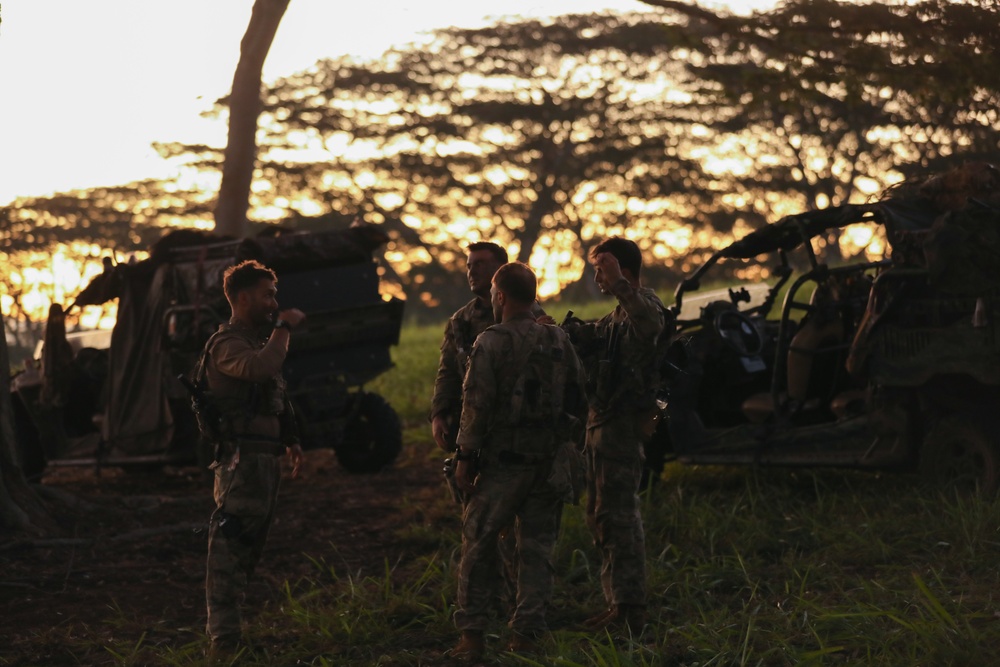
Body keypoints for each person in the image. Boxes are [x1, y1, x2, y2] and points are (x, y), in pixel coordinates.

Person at [448, 262, 585, 663]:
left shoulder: (490, 341)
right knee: (537, 550)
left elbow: (476, 404)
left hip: (502, 465)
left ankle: (471, 637)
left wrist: (465, 457)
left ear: (501, 296)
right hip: (548, 462)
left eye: (492, 292)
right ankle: (526, 633)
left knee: (477, 544)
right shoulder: (559, 338)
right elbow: (579, 396)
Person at [202, 260, 306, 652]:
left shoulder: (254, 341)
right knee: (227, 552)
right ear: (242, 298)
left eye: (274, 295)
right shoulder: (227, 344)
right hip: (240, 463)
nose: (273, 302)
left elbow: (274, 396)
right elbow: (260, 370)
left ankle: (233, 633)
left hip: (263, 462)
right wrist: (284, 329)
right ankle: (224, 642)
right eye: (267, 295)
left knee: (248, 550)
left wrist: (291, 438)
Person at [564, 237, 665, 635]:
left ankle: (630, 610)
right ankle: (618, 604)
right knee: (601, 518)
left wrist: (620, 282)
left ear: (621, 268)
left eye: (600, 269)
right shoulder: (614, 319)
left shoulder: (645, 306)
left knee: (619, 519)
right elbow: (590, 338)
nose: (596, 278)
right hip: (601, 427)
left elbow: (650, 325)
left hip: (622, 427)